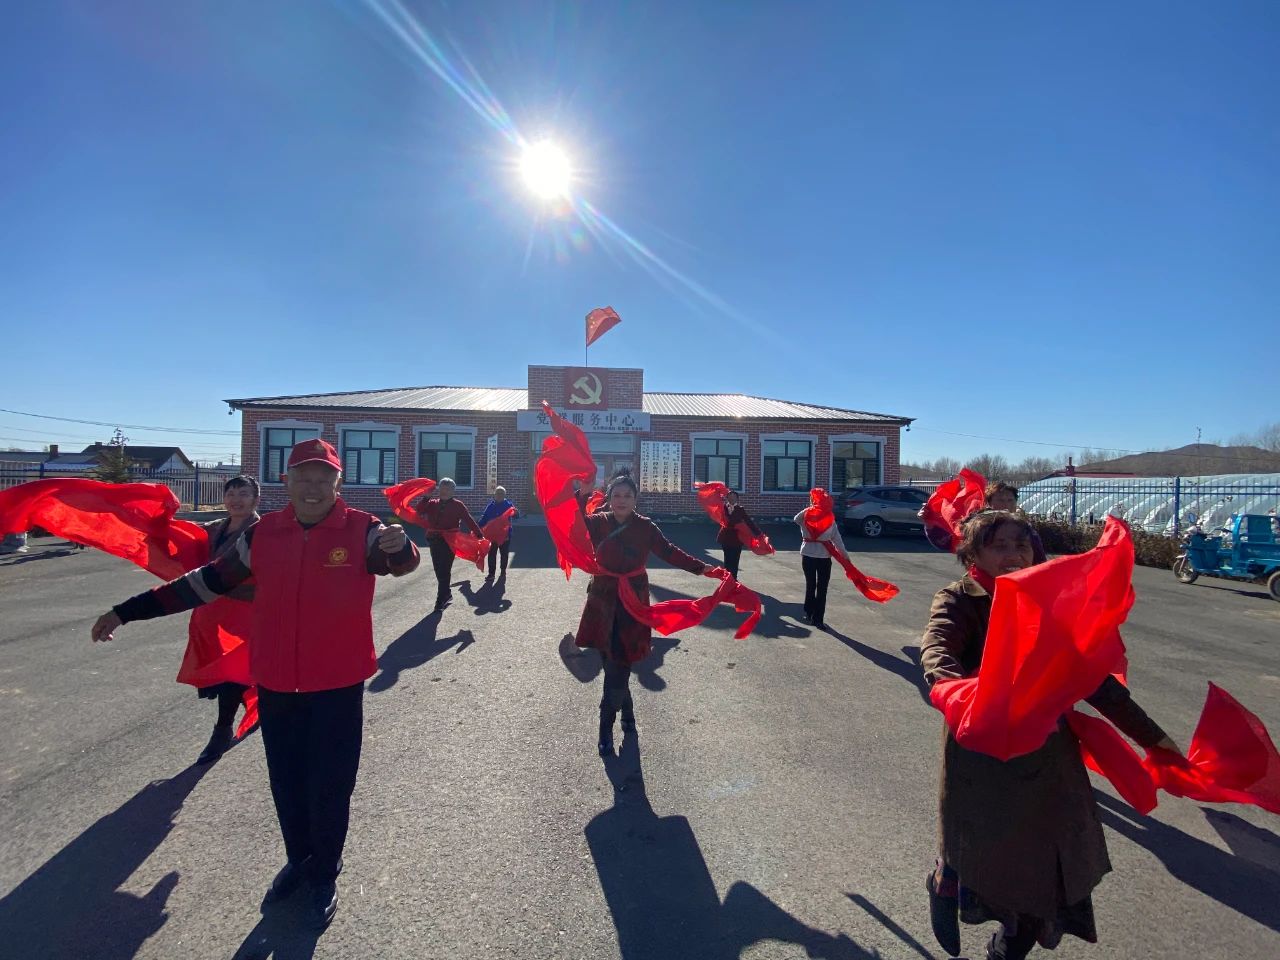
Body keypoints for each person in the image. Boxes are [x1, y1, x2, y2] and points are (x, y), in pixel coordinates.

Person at [90, 438, 419, 929]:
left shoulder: (362, 529)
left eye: (323, 478)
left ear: (338, 483)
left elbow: (397, 561)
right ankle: (299, 860)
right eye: (303, 478)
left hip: (336, 684)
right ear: (286, 482)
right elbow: (204, 583)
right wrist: (126, 611)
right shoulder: (263, 535)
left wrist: (401, 546)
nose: (312, 487)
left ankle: (325, 872)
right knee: (286, 780)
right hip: (277, 681)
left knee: (331, 784)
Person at [920, 510, 1179, 959]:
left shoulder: (1049, 604)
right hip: (981, 750)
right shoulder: (959, 599)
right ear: (973, 554)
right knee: (976, 852)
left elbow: (1093, 679)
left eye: (1020, 545)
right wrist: (953, 689)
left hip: (1047, 758)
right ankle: (944, 882)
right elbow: (938, 645)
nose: (1012, 554)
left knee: (1046, 871)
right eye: (999, 545)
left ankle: (1006, 949)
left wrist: (1154, 738)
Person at [575, 469, 722, 756]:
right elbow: (572, 524)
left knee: (619, 663)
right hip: (602, 600)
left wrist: (700, 567)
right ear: (609, 498)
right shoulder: (597, 523)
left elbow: (669, 551)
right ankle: (628, 713)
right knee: (612, 664)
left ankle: (605, 727)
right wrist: (582, 493)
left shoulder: (645, 527)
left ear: (636, 499)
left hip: (633, 602)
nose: (622, 500)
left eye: (628, 495)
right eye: (617, 495)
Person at [183, 475, 261, 764]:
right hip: (212, 614)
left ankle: (222, 730)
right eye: (231, 493)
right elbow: (181, 543)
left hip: (246, 615)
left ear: (256, 500)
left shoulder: (262, 532)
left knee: (234, 671)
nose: (236, 499)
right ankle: (257, 705)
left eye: (243, 494)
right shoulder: (213, 529)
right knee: (226, 671)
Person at [414, 477, 482, 611]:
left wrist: (479, 534)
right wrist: (426, 498)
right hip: (434, 540)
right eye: (442, 488)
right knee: (438, 569)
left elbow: (468, 520)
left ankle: (441, 600)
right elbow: (419, 511)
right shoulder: (432, 503)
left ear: (453, 491)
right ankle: (447, 593)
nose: (444, 491)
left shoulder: (458, 505)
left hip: (449, 541)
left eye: (448, 489)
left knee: (444, 569)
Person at [794, 488, 849, 629]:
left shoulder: (806, 515)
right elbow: (838, 541)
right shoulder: (830, 519)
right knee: (822, 588)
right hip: (824, 557)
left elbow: (796, 519)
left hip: (808, 555)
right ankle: (818, 619)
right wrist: (846, 557)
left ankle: (809, 611)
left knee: (810, 585)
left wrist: (810, 508)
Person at [983, 481, 1047, 563]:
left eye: (1010, 500)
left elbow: (1040, 561)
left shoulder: (1026, 530)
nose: (1006, 505)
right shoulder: (982, 528)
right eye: (1000, 500)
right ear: (989, 503)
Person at [716, 490, 764, 581]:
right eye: (730, 496)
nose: (732, 498)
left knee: (735, 559)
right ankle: (727, 578)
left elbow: (749, 522)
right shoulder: (723, 508)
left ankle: (734, 579)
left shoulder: (740, 509)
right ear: (727, 498)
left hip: (737, 538)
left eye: (734, 497)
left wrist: (759, 534)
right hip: (726, 537)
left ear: (737, 499)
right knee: (727, 559)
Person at [478, 485, 519, 581]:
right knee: (491, 554)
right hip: (492, 535)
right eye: (497, 493)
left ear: (504, 495)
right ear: (494, 494)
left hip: (505, 535)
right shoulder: (491, 506)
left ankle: (503, 571)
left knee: (504, 553)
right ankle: (491, 574)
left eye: (501, 493)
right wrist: (478, 526)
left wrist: (516, 513)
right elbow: (484, 517)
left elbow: (516, 516)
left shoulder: (508, 505)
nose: (499, 495)